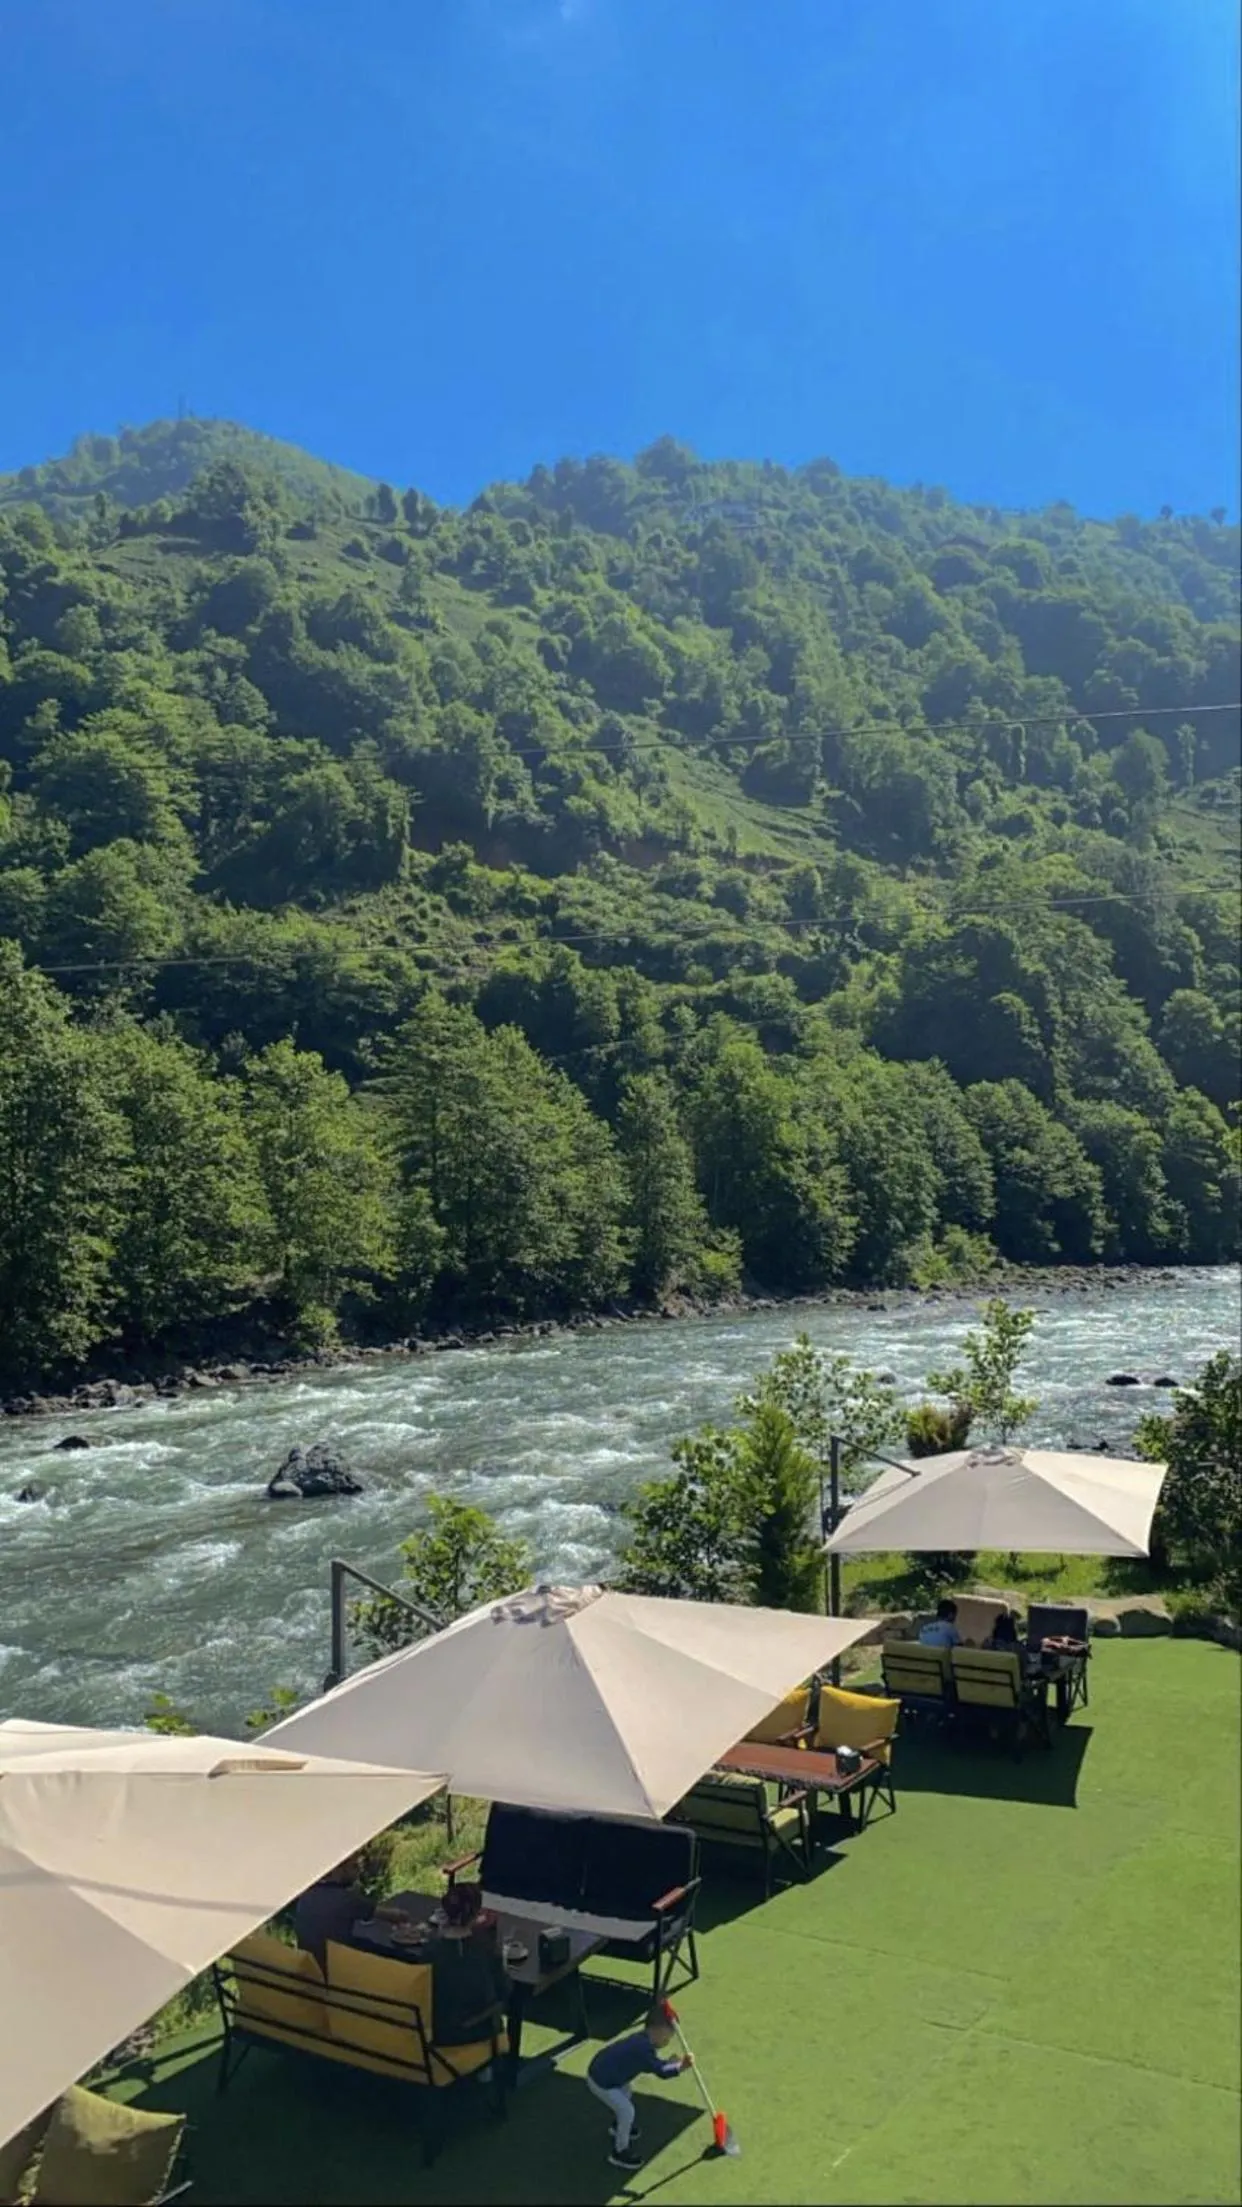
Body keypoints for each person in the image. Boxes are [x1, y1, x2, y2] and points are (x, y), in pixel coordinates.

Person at [586, 2006, 692, 2172]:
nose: (668, 2041)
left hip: (607, 2075)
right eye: (667, 2037)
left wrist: (671, 2064)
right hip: (601, 2081)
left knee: (626, 2094)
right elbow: (661, 2071)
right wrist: (681, 2066)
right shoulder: (643, 2049)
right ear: (656, 2029)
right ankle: (619, 2152)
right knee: (627, 2111)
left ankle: (618, 2127)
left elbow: (656, 2064)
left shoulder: (642, 2041)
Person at [418, 1882, 508, 2047]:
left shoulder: (431, 1949)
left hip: (436, 2031)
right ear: (476, 1913)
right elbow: (504, 1988)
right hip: (470, 2032)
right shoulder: (484, 1947)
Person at [293, 1853, 410, 1969]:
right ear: (337, 1870)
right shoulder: (344, 1898)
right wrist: (404, 1916)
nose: (358, 1872)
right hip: (336, 1967)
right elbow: (393, 1915)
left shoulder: (308, 1893)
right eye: (354, 1867)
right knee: (399, 1957)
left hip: (312, 1965)